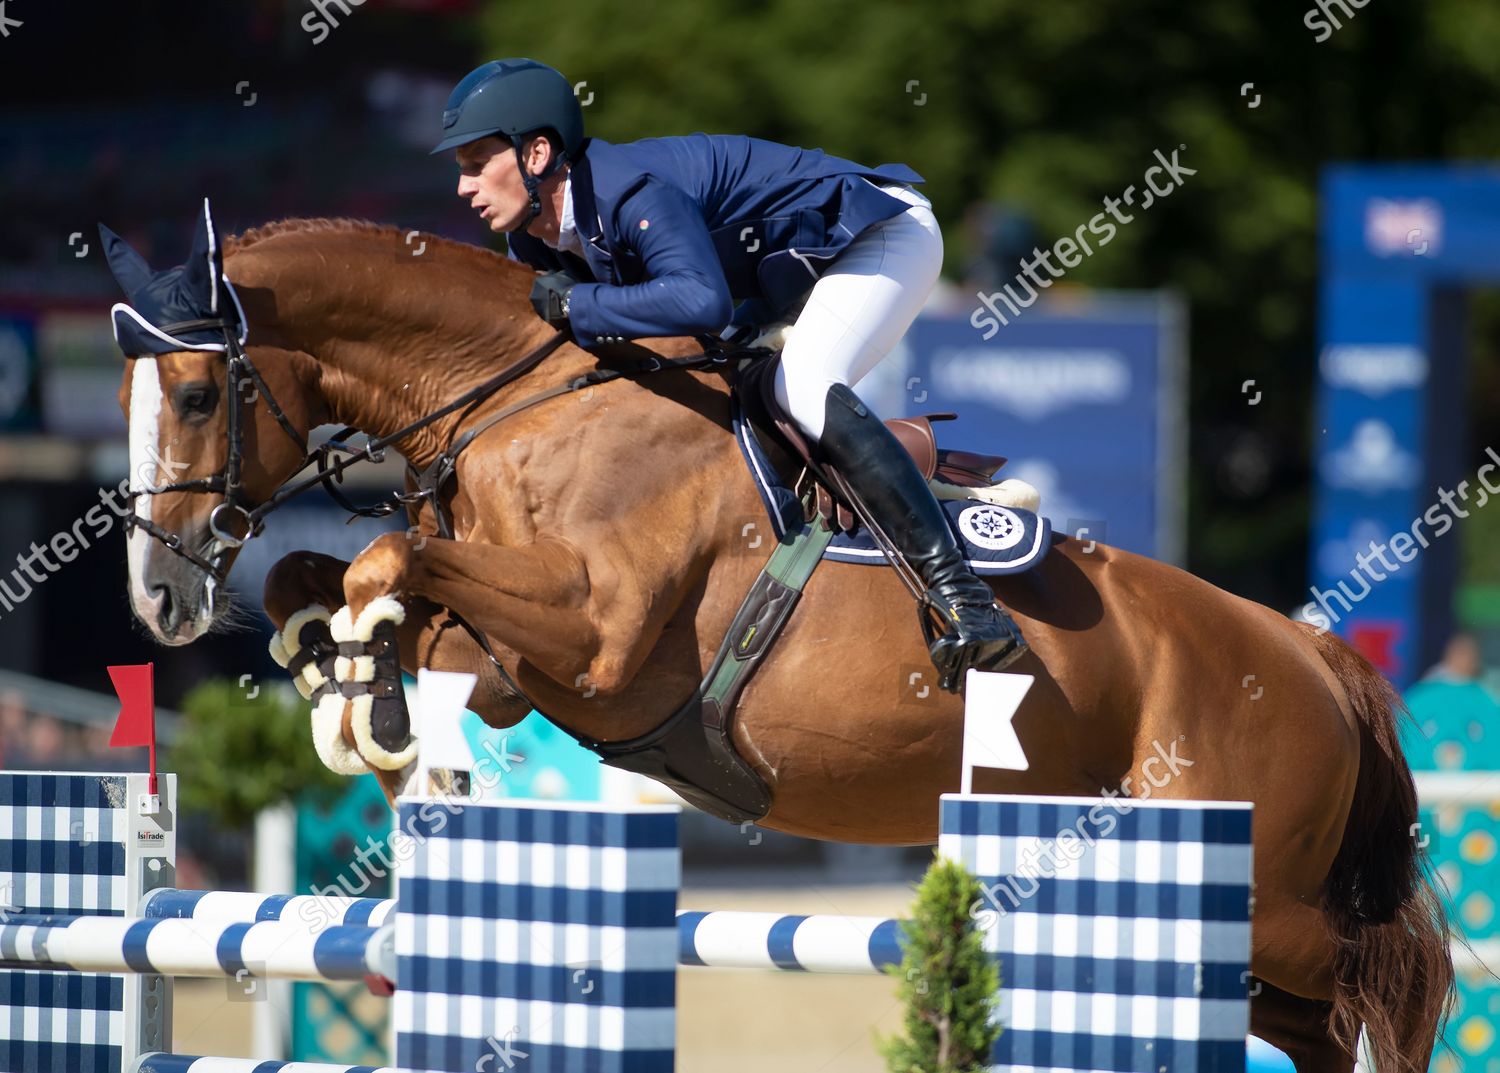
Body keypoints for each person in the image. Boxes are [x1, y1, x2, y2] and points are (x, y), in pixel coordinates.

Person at [433, 58, 1026, 689]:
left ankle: (965, 598)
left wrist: (584, 305)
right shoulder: (535, 238)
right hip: (785, 273)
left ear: (538, 154)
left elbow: (700, 301)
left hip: (875, 237)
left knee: (802, 384)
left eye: (475, 164)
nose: (464, 187)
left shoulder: (626, 190)